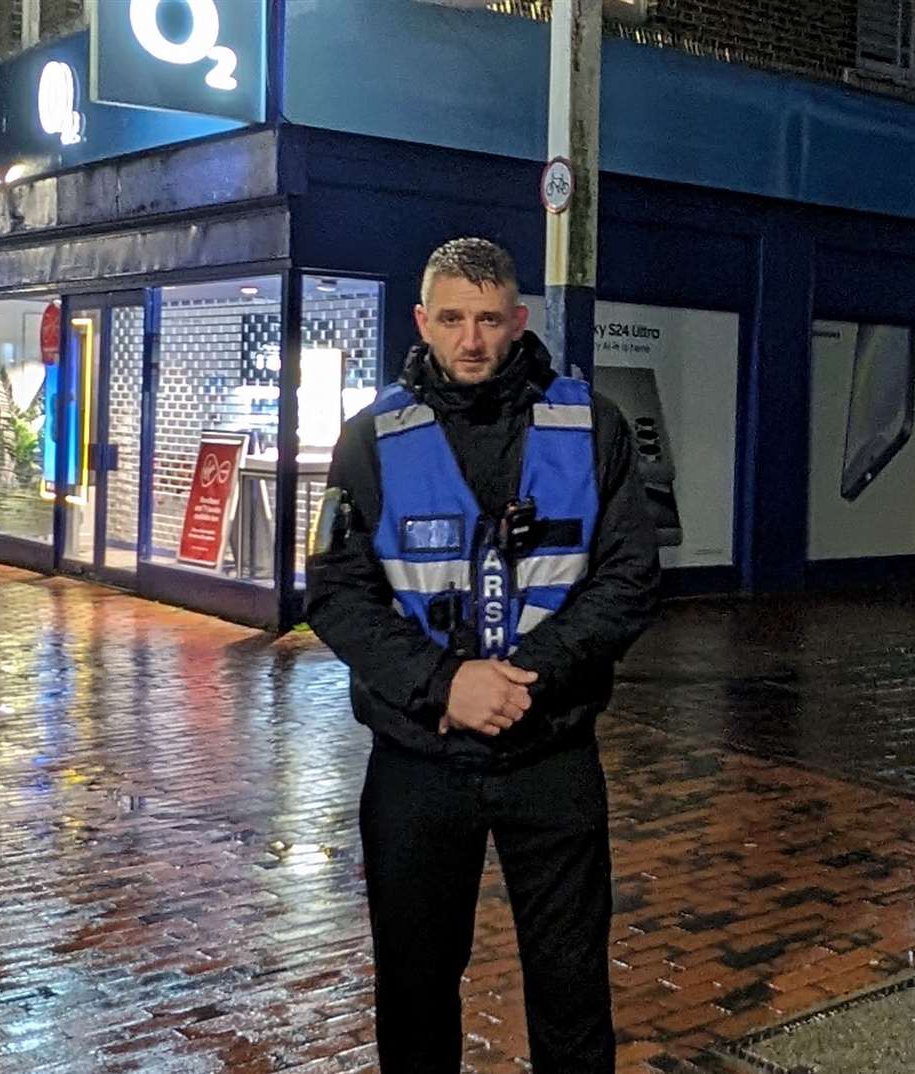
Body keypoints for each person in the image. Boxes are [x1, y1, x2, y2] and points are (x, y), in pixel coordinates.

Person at [306, 237, 660, 1073]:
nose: (472, 340)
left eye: (490, 320)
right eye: (454, 319)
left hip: (553, 753)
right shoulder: (372, 438)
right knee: (415, 989)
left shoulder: (590, 426)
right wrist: (445, 684)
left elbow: (632, 579)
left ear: (520, 320)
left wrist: (522, 678)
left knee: (573, 990)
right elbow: (336, 593)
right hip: (418, 761)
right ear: (423, 321)